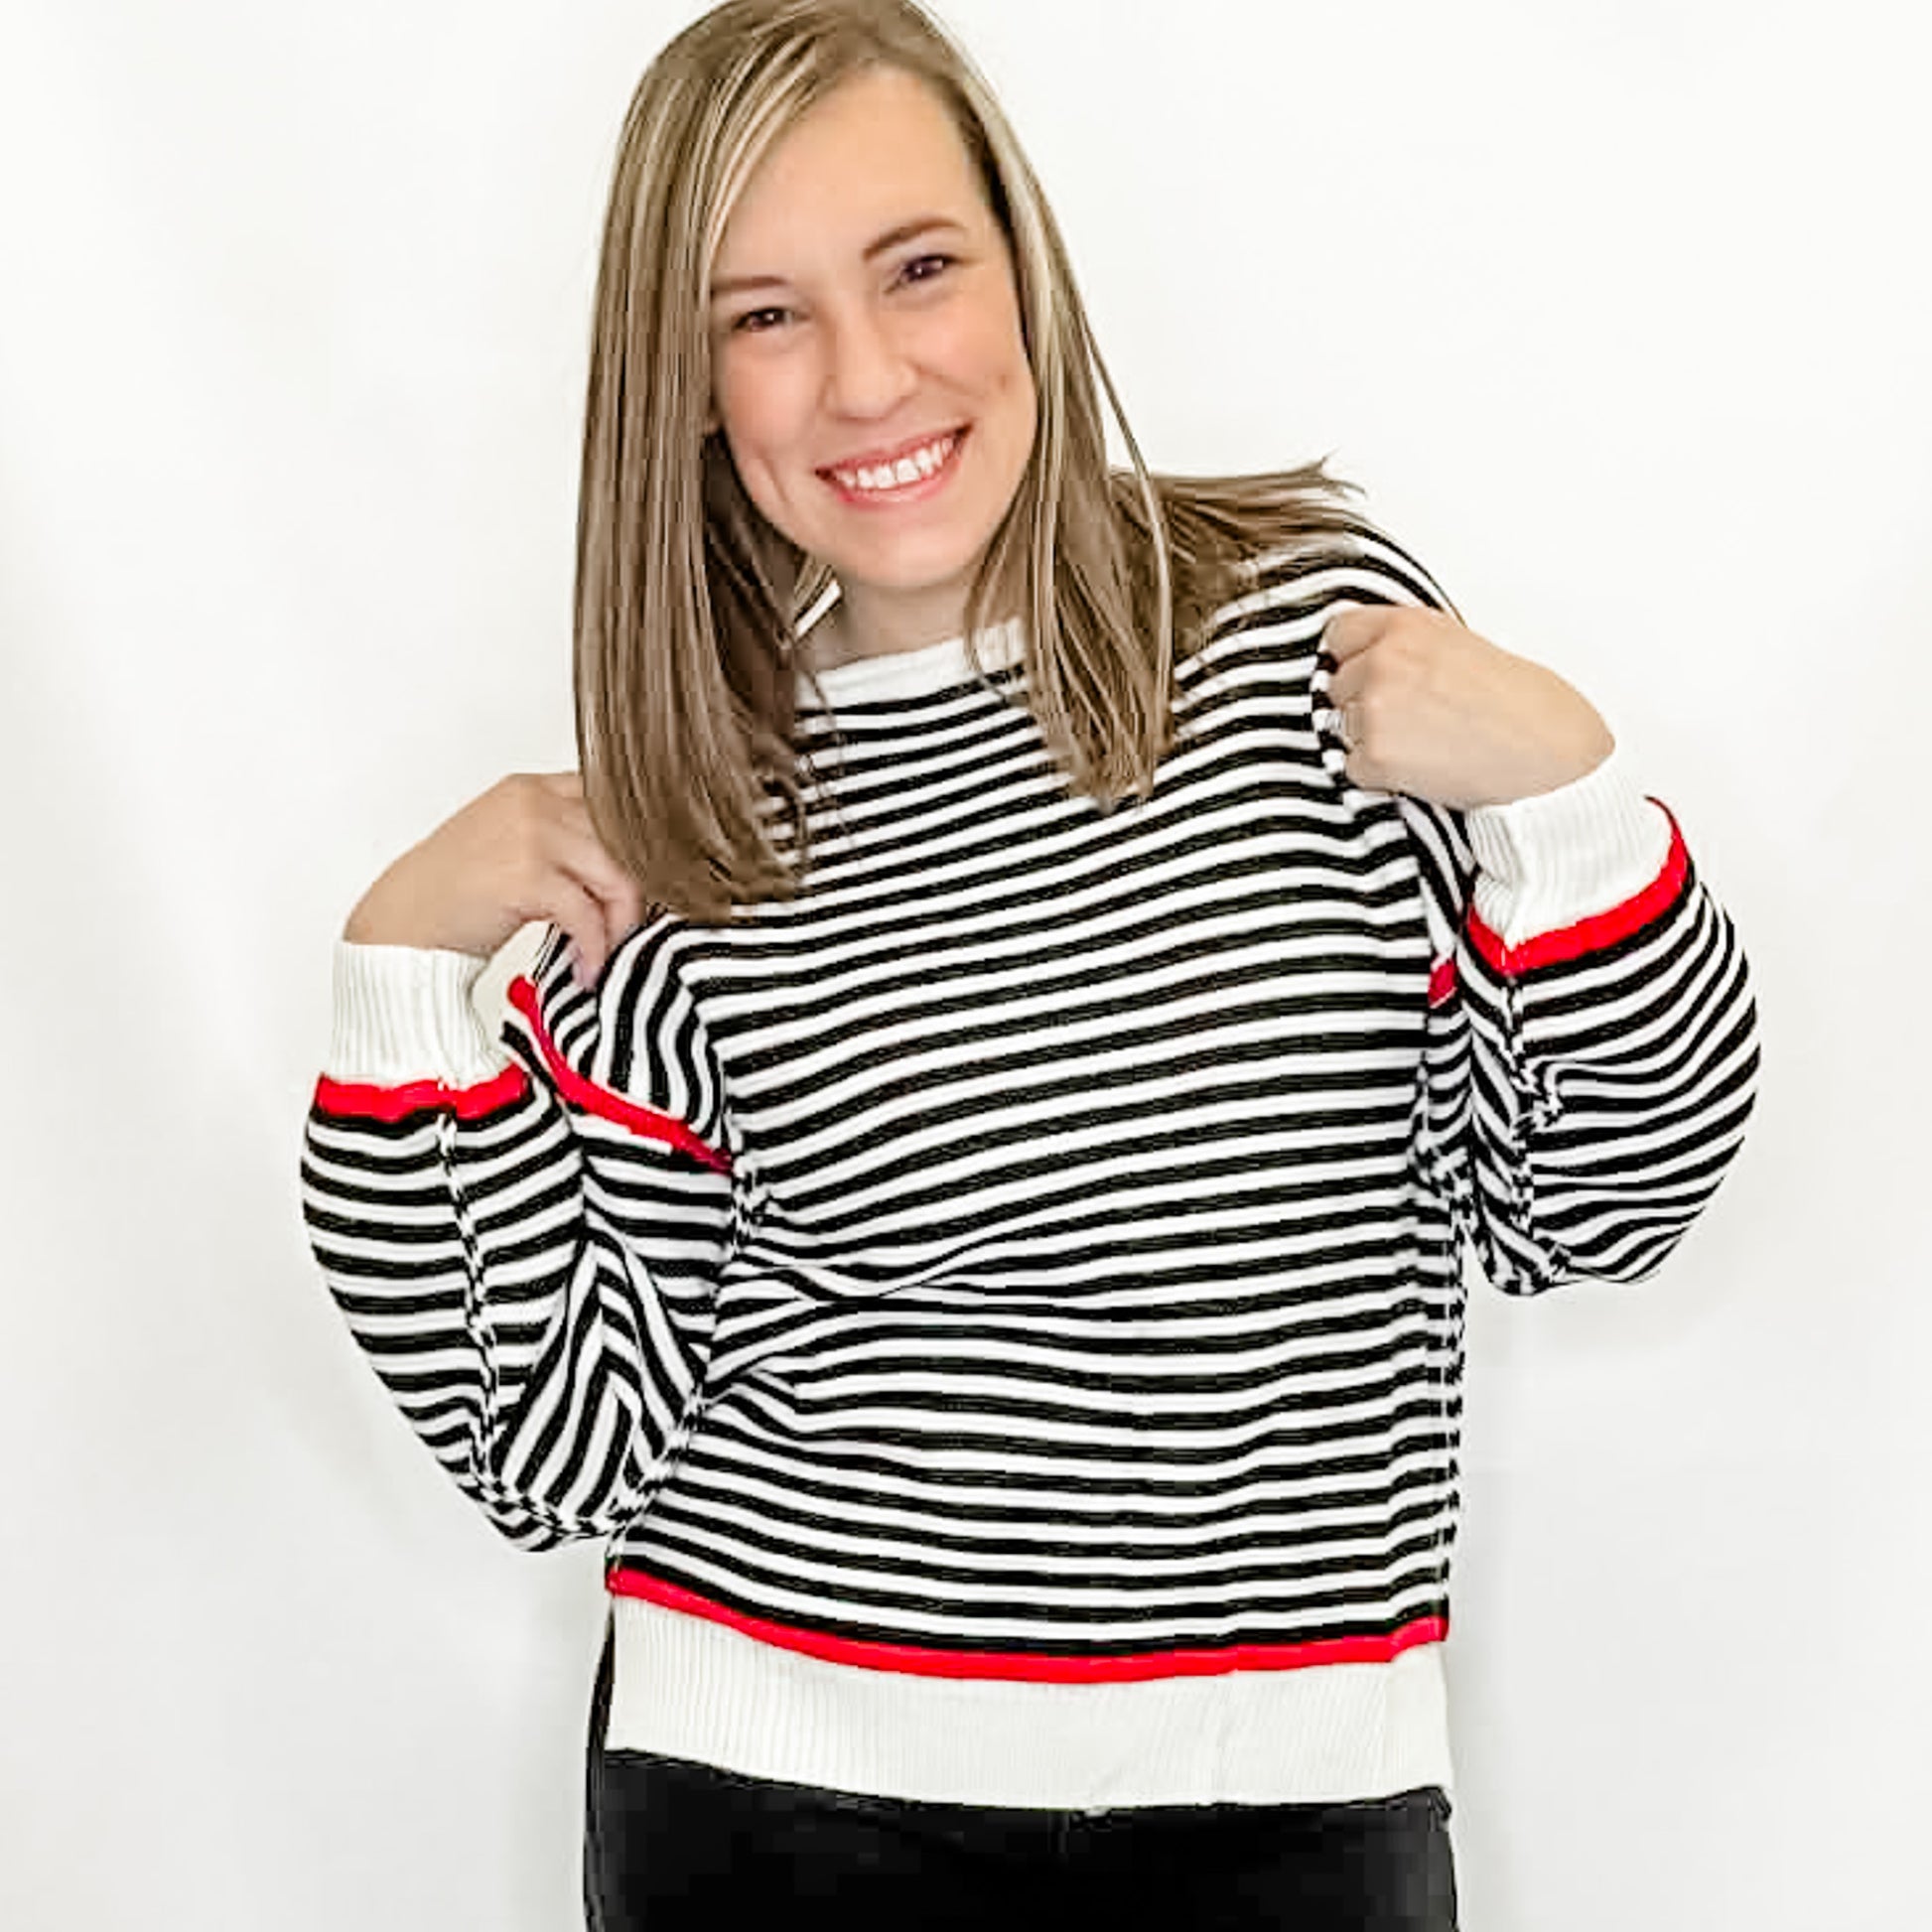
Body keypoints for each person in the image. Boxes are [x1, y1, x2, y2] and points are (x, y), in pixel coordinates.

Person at [300, 2, 1758, 1925]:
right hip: (777, 1811)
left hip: (1290, 1809)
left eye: (916, 267)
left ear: (1023, 268)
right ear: (688, 385)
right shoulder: (701, 822)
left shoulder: (1308, 641)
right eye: (763, 314)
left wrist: (1571, 801)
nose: (864, 376)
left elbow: (1586, 1210)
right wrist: (402, 979)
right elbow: (545, 1441)